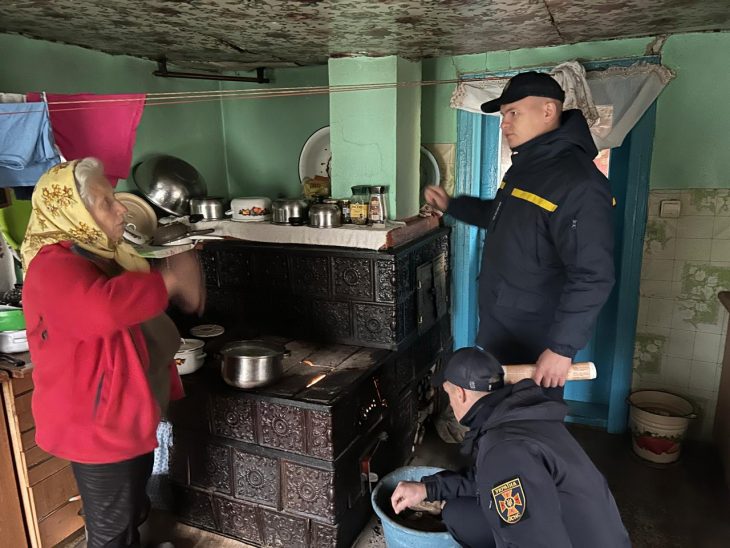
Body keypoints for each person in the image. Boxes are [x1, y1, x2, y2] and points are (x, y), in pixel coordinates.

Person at [21, 158, 203, 548]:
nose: (121, 209)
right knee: (110, 534)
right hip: (95, 425)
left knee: (130, 509)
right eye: (106, 202)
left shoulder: (96, 255)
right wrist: (169, 281)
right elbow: (103, 310)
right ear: (74, 213)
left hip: (119, 415)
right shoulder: (52, 266)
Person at [425, 71, 615, 392]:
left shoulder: (578, 182)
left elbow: (593, 274)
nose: (505, 124)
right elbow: (503, 218)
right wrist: (452, 205)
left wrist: (561, 348)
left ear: (548, 110)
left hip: (536, 340)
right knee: (500, 413)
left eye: (513, 112)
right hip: (503, 327)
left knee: (529, 418)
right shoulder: (527, 168)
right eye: (503, 115)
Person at [390, 347, 630, 547]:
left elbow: (535, 541)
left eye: (448, 394)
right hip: (590, 532)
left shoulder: (503, 450)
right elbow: (487, 481)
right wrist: (428, 489)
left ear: (460, 394)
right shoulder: (523, 416)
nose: (450, 403)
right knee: (457, 513)